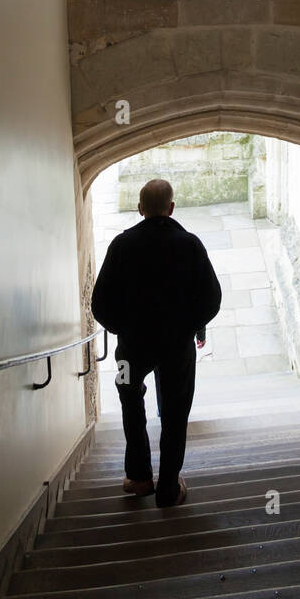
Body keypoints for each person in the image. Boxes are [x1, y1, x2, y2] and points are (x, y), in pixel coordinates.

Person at [91, 178, 221, 507]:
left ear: (140, 209)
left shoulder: (121, 245)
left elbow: (100, 303)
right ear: (171, 208)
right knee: (176, 413)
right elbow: (211, 297)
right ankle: (168, 488)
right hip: (177, 344)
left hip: (130, 348)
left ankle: (139, 477)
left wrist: (123, 329)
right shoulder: (189, 244)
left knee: (130, 402)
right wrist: (194, 327)